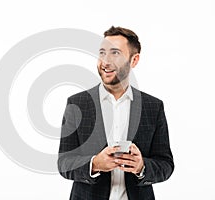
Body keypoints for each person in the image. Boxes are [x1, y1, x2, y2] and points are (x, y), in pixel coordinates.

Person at [58, 26, 174, 200]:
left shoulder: (153, 106)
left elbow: (166, 165)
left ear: (134, 60)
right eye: (102, 53)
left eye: (115, 53)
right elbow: (64, 163)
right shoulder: (77, 103)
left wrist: (142, 166)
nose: (105, 61)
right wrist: (94, 164)